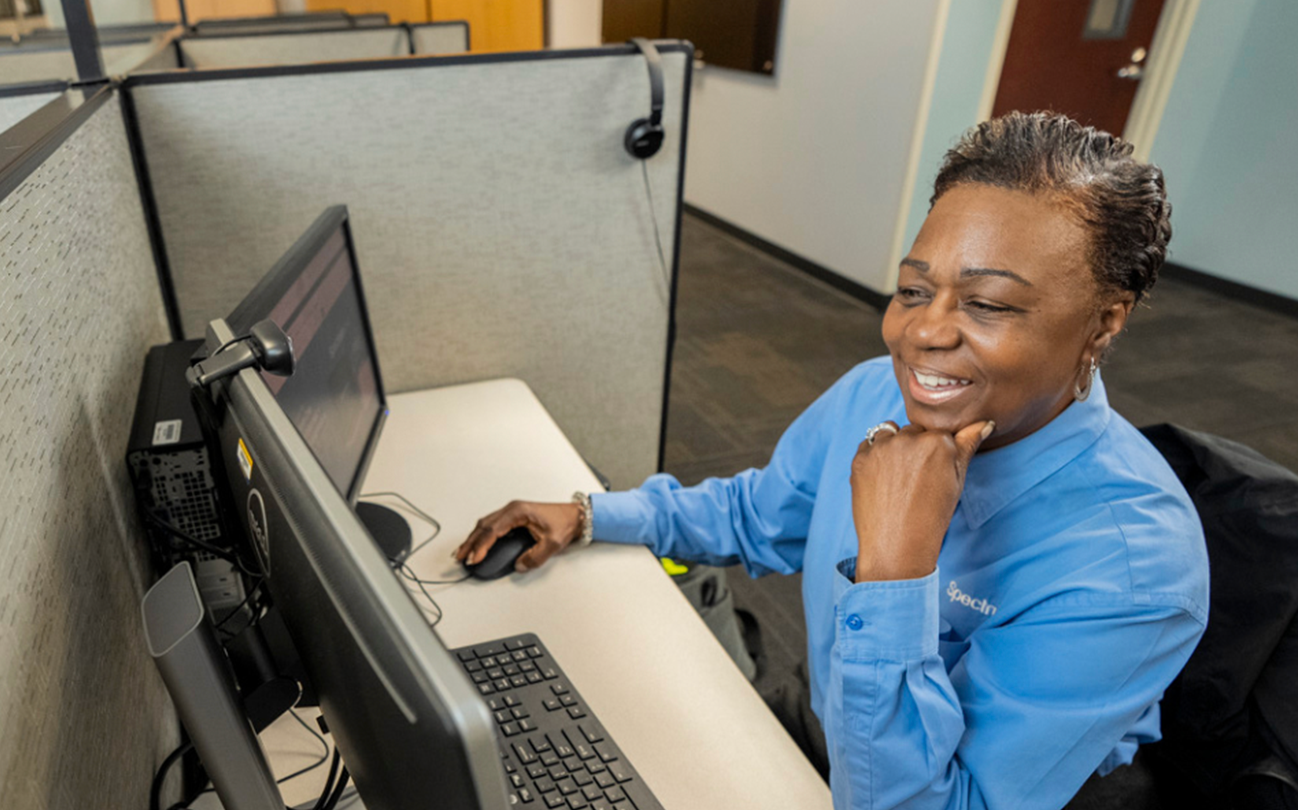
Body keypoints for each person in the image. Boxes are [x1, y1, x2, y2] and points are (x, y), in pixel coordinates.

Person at [453, 111, 1209, 809]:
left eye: (989, 304)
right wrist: (590, 515)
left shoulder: (1132, 568)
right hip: (827, 718)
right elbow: (758, 515)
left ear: (1104, 324)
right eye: (915, 288)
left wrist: (896, 569)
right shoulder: (873, 395)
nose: (922, 334)